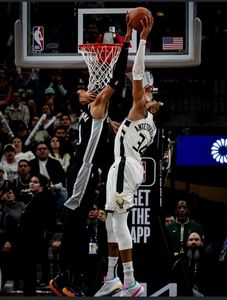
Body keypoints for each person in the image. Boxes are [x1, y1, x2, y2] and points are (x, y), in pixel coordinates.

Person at [49, 14, 132, 297]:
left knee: (81, 223)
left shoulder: (95, 115)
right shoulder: (96, 107)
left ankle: (74, 280)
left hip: (86, 168)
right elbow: (117, 80)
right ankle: (61, 279)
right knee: (74, 223)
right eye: (83, 90)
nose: (87, 89)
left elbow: (113, 126)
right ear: (83, 99)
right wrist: (126, 44)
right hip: (82, 169)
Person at [95, 14, 164, 297]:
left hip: (125, 166)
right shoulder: (147, 123)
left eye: (153, 96)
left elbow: (136, 73)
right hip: (124, 164)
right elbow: (124, 131)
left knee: (120, 222)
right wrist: (115, 125)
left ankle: (131, 282)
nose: (150, 93)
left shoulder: (141, 109)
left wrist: (142, 39)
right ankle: (111, 278)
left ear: (151, 105)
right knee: (112, 221)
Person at [19, 173, 57, 296]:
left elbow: (45, 218)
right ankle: (31, 288)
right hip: (30, 236)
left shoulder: (44, 197)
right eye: (31, 181)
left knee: (35, 262)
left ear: (42, 186)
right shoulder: (36, 198)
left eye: (35, 182)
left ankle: (38, 284)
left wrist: (45, 232)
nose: (31, 183)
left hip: (36, 235)